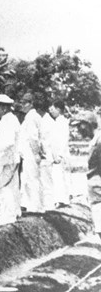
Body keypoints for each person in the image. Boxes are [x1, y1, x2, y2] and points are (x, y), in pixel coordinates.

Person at [0, 94, 21, 225]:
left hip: (7, 159)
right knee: (12, 187)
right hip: (10, 159)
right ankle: (13, 213)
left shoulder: (8, 120)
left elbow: (8, 142)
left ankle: (8, 216)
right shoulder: (10, 119)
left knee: (6, 188)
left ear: (3, 107)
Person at [72, 111, 101, 243]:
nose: (78, 129)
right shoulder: (95, 141)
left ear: (89, 124)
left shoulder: (99, 142)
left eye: (80, 125)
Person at [19, 93, 46, 213]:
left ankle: (36, 206)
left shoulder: (31, 117)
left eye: (25, 103)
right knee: (26, 179)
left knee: (33, 179)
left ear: (31, 104)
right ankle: (27, 203)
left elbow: (33, 138)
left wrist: (36, 153)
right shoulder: (31, 116)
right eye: (22, 103)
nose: (23, 105)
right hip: (27, 152)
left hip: (31, 152)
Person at [49, 100, 72, 207]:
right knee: (58, 176)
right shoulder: (57, 121)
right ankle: (60, 198)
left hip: (60, 154)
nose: (51, 111)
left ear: (58, 110)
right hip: (57, 153)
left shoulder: (62, 122)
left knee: (59, 176)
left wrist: (59, 155)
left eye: (53, 109)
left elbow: (63, 140)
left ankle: (61, 200)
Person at [39, 101, 56, 210]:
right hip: (48, 153)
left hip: (46, 154)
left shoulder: (46, 121)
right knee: (46, 180)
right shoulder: (47, 120)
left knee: (46, 181)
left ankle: (49, 205)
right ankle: (48, 204)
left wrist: (42, 151)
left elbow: (45, 140)